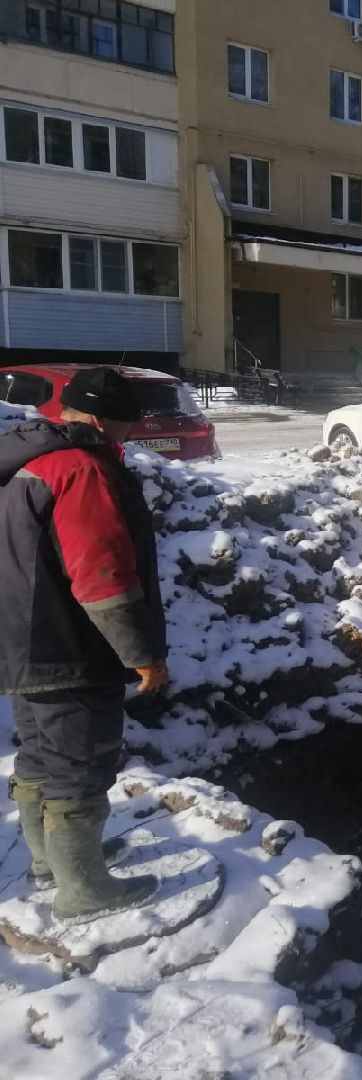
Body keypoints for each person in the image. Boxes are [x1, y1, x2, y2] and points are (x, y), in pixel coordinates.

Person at [0, 366, 166, 923]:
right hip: (69, 643)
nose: (128, 437)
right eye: (124, 426)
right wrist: (141, 654)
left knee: (41, 755)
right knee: (81, 762)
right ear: (99, 420)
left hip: (21, 640)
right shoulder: (82, 470)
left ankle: (54, 864)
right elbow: (102, 575)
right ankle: (85, 889)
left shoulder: (25, 461)